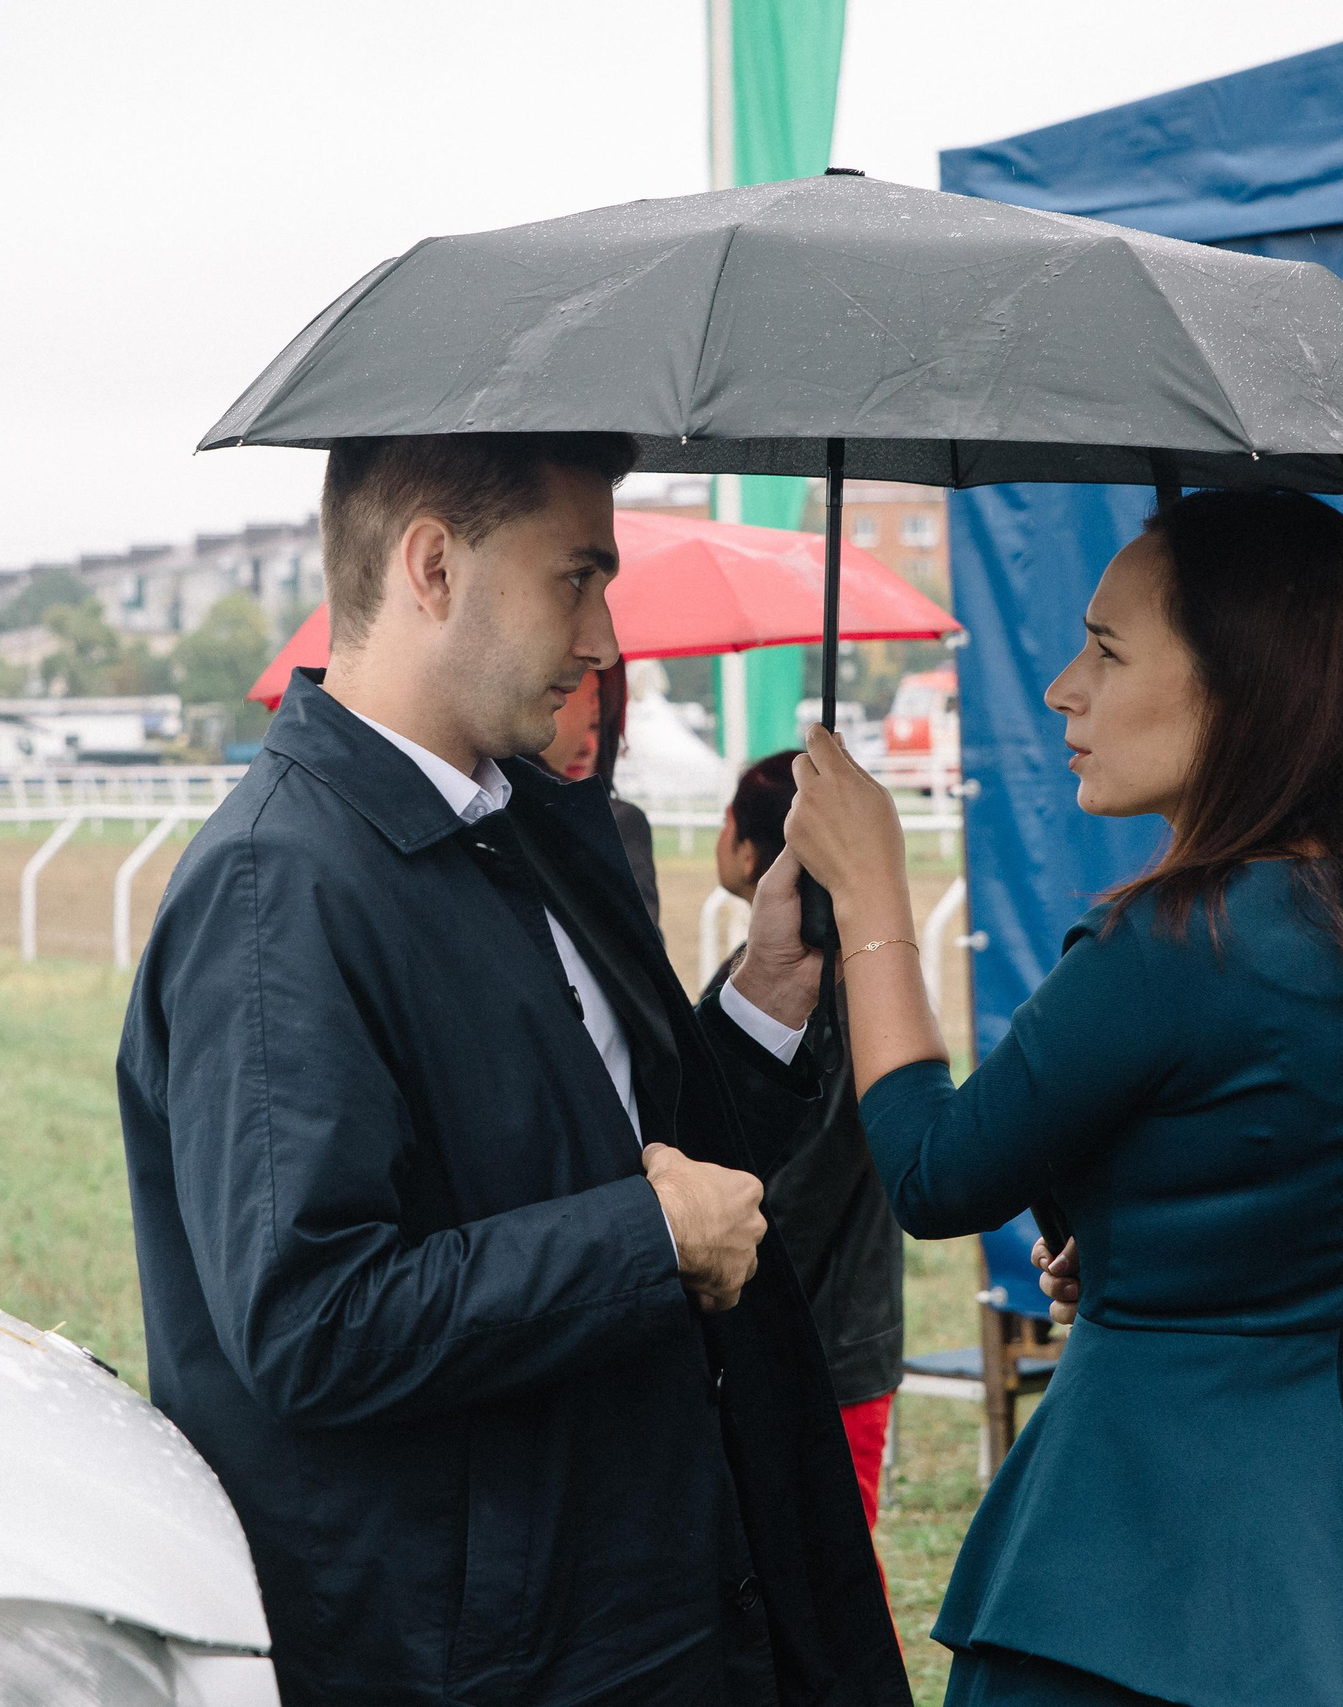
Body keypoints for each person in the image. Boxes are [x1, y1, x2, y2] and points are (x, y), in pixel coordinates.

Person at [119, 432, 905, 1705]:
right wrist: (646, 1242)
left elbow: (604, 1146)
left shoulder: (523, 828)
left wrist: (764, 1001)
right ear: (432, 566)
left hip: (648, 1591)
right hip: (487, 1658)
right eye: (576, 580)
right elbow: (310, 1321)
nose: (603, 637)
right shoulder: (279, 890)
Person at [783, 490, 1343, 1707]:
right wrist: (1210, 1282)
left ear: (1243, 691)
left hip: (1141, 1589)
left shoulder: (1165, 947)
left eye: (1105, 649)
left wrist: (875, 899)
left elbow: (935, 1176)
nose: (1060, 688)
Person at [711, 750, 905, 1536]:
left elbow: (803, 1191)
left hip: (828, 1347)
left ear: (762, 852)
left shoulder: (838, 998)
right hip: (815, 1338)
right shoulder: (790, 978)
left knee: (838, 1578)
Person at [540, 659, 661, 929]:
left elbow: (639, 952)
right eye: (559, 712)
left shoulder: (619, 823)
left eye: (596, 726)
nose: (585, 744)